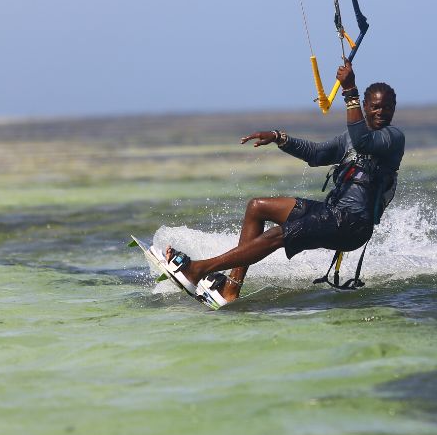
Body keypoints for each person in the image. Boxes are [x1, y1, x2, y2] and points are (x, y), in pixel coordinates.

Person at [164, 61, 403, 305]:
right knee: (257, 207)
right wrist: (279, 138)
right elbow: (316, 154)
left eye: (387, 108)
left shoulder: (393, 138)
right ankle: (231, 289)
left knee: (278, 235)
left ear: (393, 109)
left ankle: (198, 269)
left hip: (353, 225)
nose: (381, 112)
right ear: (365, 106)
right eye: (375, 107)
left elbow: (364, 142)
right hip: (333, 213)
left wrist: (349, 89)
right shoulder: (349, 138)